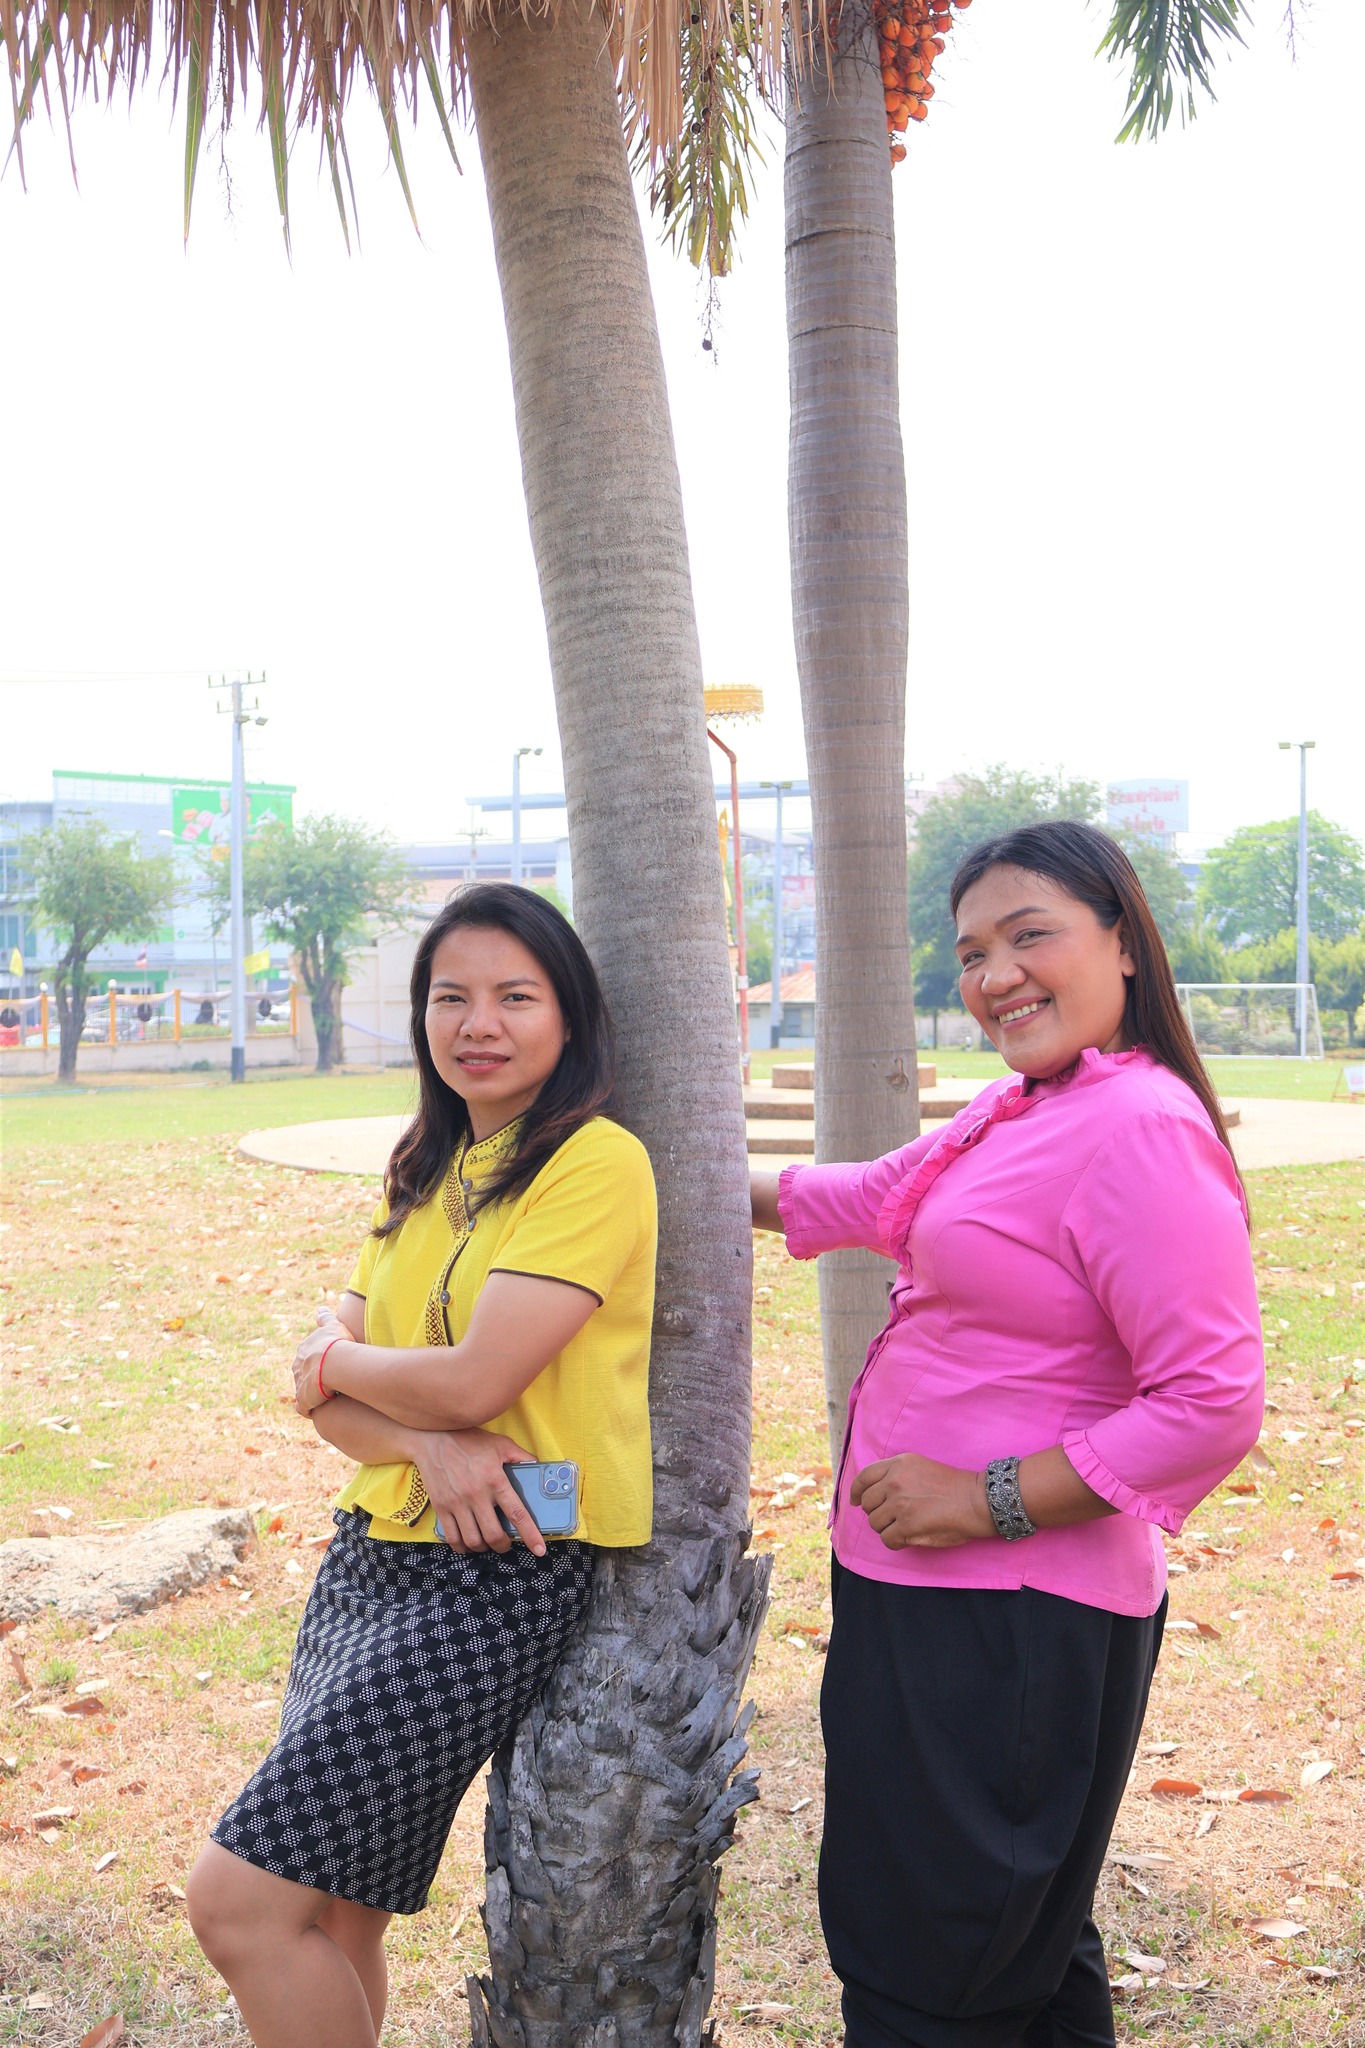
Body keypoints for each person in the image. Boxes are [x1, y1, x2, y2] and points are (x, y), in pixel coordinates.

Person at [752, 821, 1264, 2048]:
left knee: (930, 1968)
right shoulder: (1022, 1107)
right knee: (1020, 1950)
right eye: (973, 950)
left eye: (1030, 935)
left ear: (1124, 941)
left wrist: (985, 1495)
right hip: (932, 1599)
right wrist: (655, 1172)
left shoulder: (1139, 1126)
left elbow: (1211, 1399)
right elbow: (867, 1194)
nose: (996, 975)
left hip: (1009, 1617)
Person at [187, 884, 657, 2048]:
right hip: (369, 1556)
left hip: (495, 1567)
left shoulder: (593, 1162)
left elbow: (470, 1377)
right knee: (332, 1905)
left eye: (515, 996)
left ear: (568, 1015)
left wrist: (342, 1360)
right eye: (451, 996)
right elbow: (336, 1410)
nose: (478, 1022)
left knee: (237, 1902)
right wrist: (422, 1439)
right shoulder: (426, 1163)